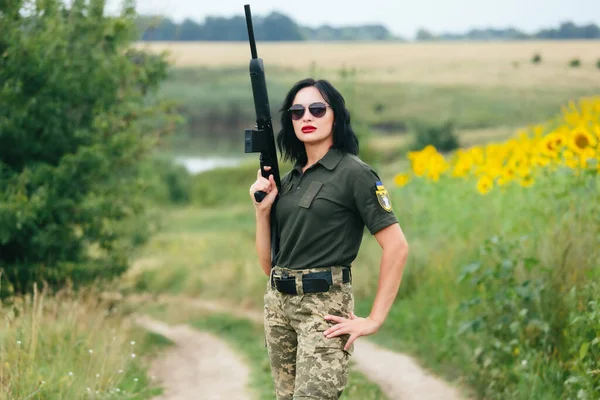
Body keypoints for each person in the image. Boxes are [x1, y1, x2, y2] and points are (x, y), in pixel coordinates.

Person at [249, 77, 409, 400]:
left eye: (317, 109)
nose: (306, 117)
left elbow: (397, 246)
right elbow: (269, 265)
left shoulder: (355, 174)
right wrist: (263, 212)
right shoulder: (291, 180)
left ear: (335, 115)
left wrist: (374, 320)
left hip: (322, 308)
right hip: (279, 306)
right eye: (297, 112)